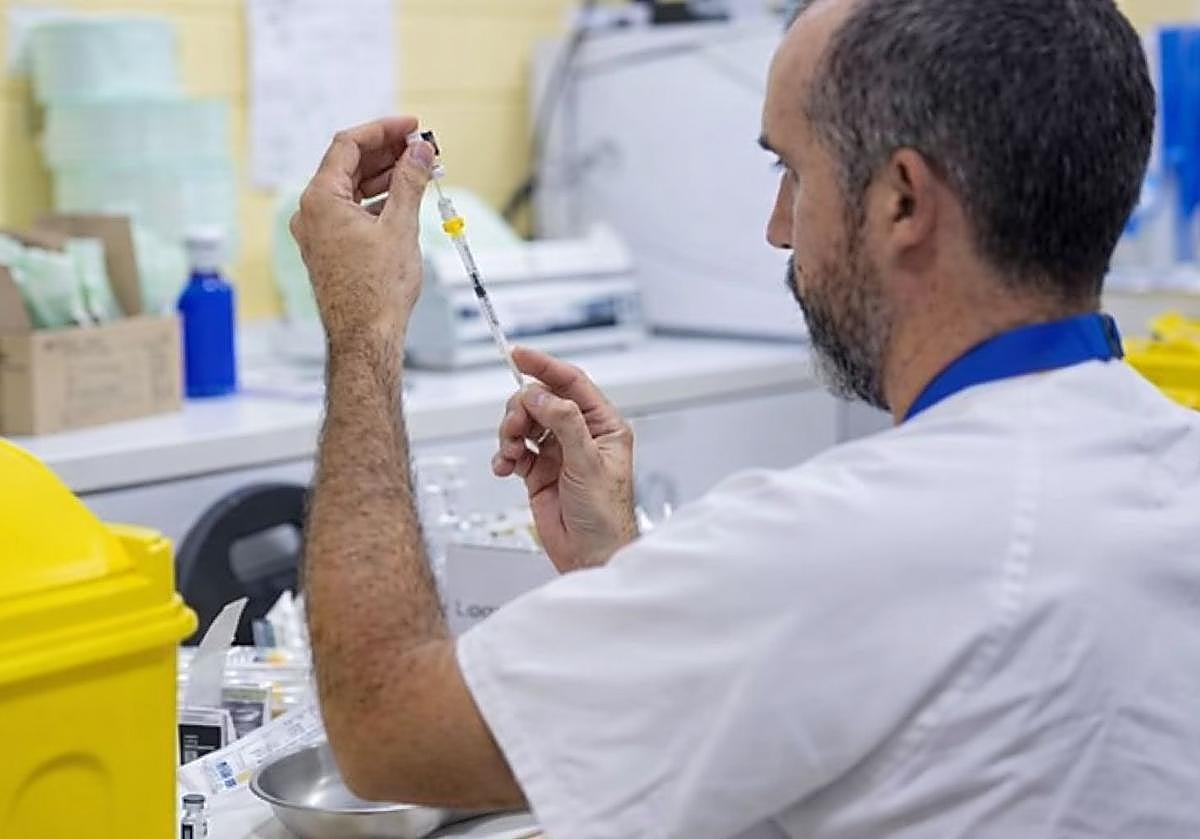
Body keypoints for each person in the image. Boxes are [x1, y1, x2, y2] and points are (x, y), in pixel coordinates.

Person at [288, 0, 1200, 836]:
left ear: (903, 201)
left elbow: (386, 731)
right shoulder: (1172, 464)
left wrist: (363, 333)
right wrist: (619, 569)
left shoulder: (841, 542)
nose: (778, 228)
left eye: (792, 171)